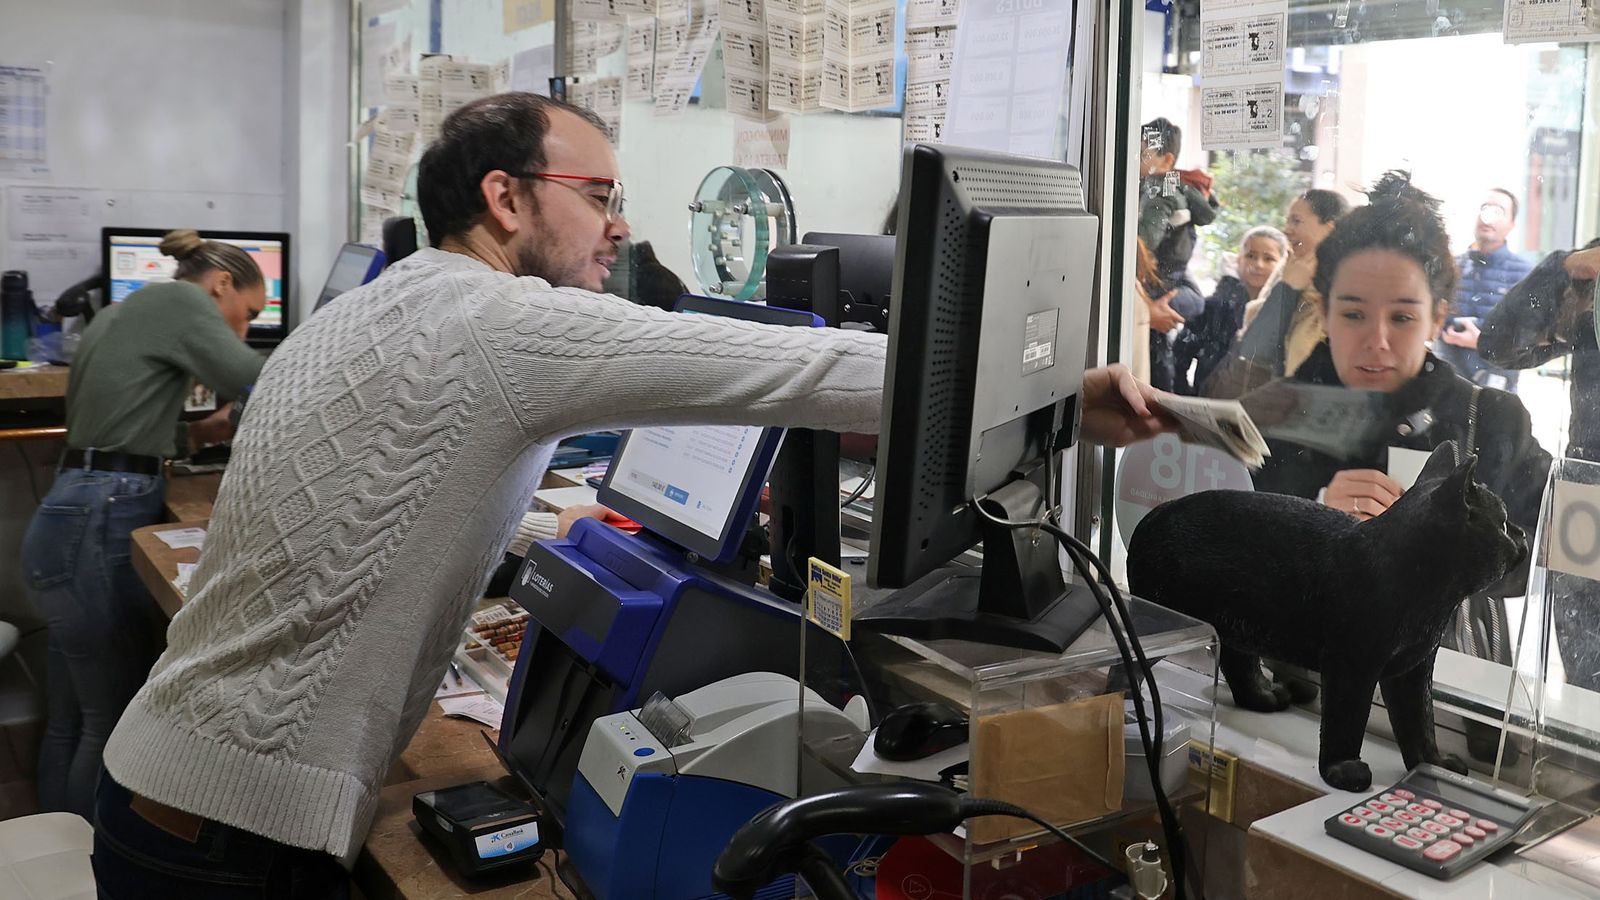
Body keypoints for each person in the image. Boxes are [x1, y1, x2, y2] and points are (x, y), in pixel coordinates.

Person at [90, 92, 1180, 898]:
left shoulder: (379, 308)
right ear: (504, 198)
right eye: (599, 197)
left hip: (171, 790)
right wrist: (1053, 399)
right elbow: (781, 368)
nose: (620, 223)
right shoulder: (503, 323)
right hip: (231, 837)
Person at [1251, 172, 1551, 761]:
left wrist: (1435, 544)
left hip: (1452, 712)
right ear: (1325, 308)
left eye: (1404, 318)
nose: (1377, 342)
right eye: (1355, 314)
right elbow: (1237, 550)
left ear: (1439, 316)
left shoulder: (1490, 420)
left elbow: (1532, 567)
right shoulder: (1284, 415)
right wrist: (1310, 521)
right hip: (1296, 710)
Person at [19, 229, 265, 819]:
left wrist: (196, 435)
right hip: (99, 516)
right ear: (222, 284)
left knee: (74, 716)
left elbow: (115, 426)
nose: (245, 326)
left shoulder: (126, 308)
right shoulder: (181, 302)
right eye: (248, 312)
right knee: (108, 719)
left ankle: (60, 851)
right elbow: (266, 379)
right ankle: (91, 863)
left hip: (69, 513)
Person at [1479, 238, 1600, 689]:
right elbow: (1498, 344)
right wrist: (1565, 269)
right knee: (1587, 678)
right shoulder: (1592, 271)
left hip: (1585, 492)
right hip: (1587, 493)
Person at [1229, 189, 1351, 391]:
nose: (1287, 230)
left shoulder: (1352, 282)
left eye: (1296, 221)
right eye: (1287, 222)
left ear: (1330, 229)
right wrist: (1288, 288)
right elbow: (1254, 351)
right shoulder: (1287, 271)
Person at [1137, 117, 1218, 392]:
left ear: (1166, 159)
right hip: (1174, 275)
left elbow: (1145, 240)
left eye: (1140, 153)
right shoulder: (1178, 184)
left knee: (1153, 352)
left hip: (1158, 280)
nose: (1132, 160)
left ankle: (1160, 403)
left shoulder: (1159, 189)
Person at [1438, 189, 1535, 392]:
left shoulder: (1525, 274)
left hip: (1497, 393)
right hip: (1444, 387)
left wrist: (1483, 342)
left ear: (1511, 225)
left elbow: (1531, 337)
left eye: (1498, 211)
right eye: (1485, 209)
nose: (1488, 217)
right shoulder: (1450, 266)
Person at [1174, 225, 1287, 395]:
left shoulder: (1287, 311)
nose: (1258, 264)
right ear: (1239, 260)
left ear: (1282, 265)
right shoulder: (1214, 307)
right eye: (1251, 256)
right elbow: (1179, 356)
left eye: (1269, 258)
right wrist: (1186, 399)